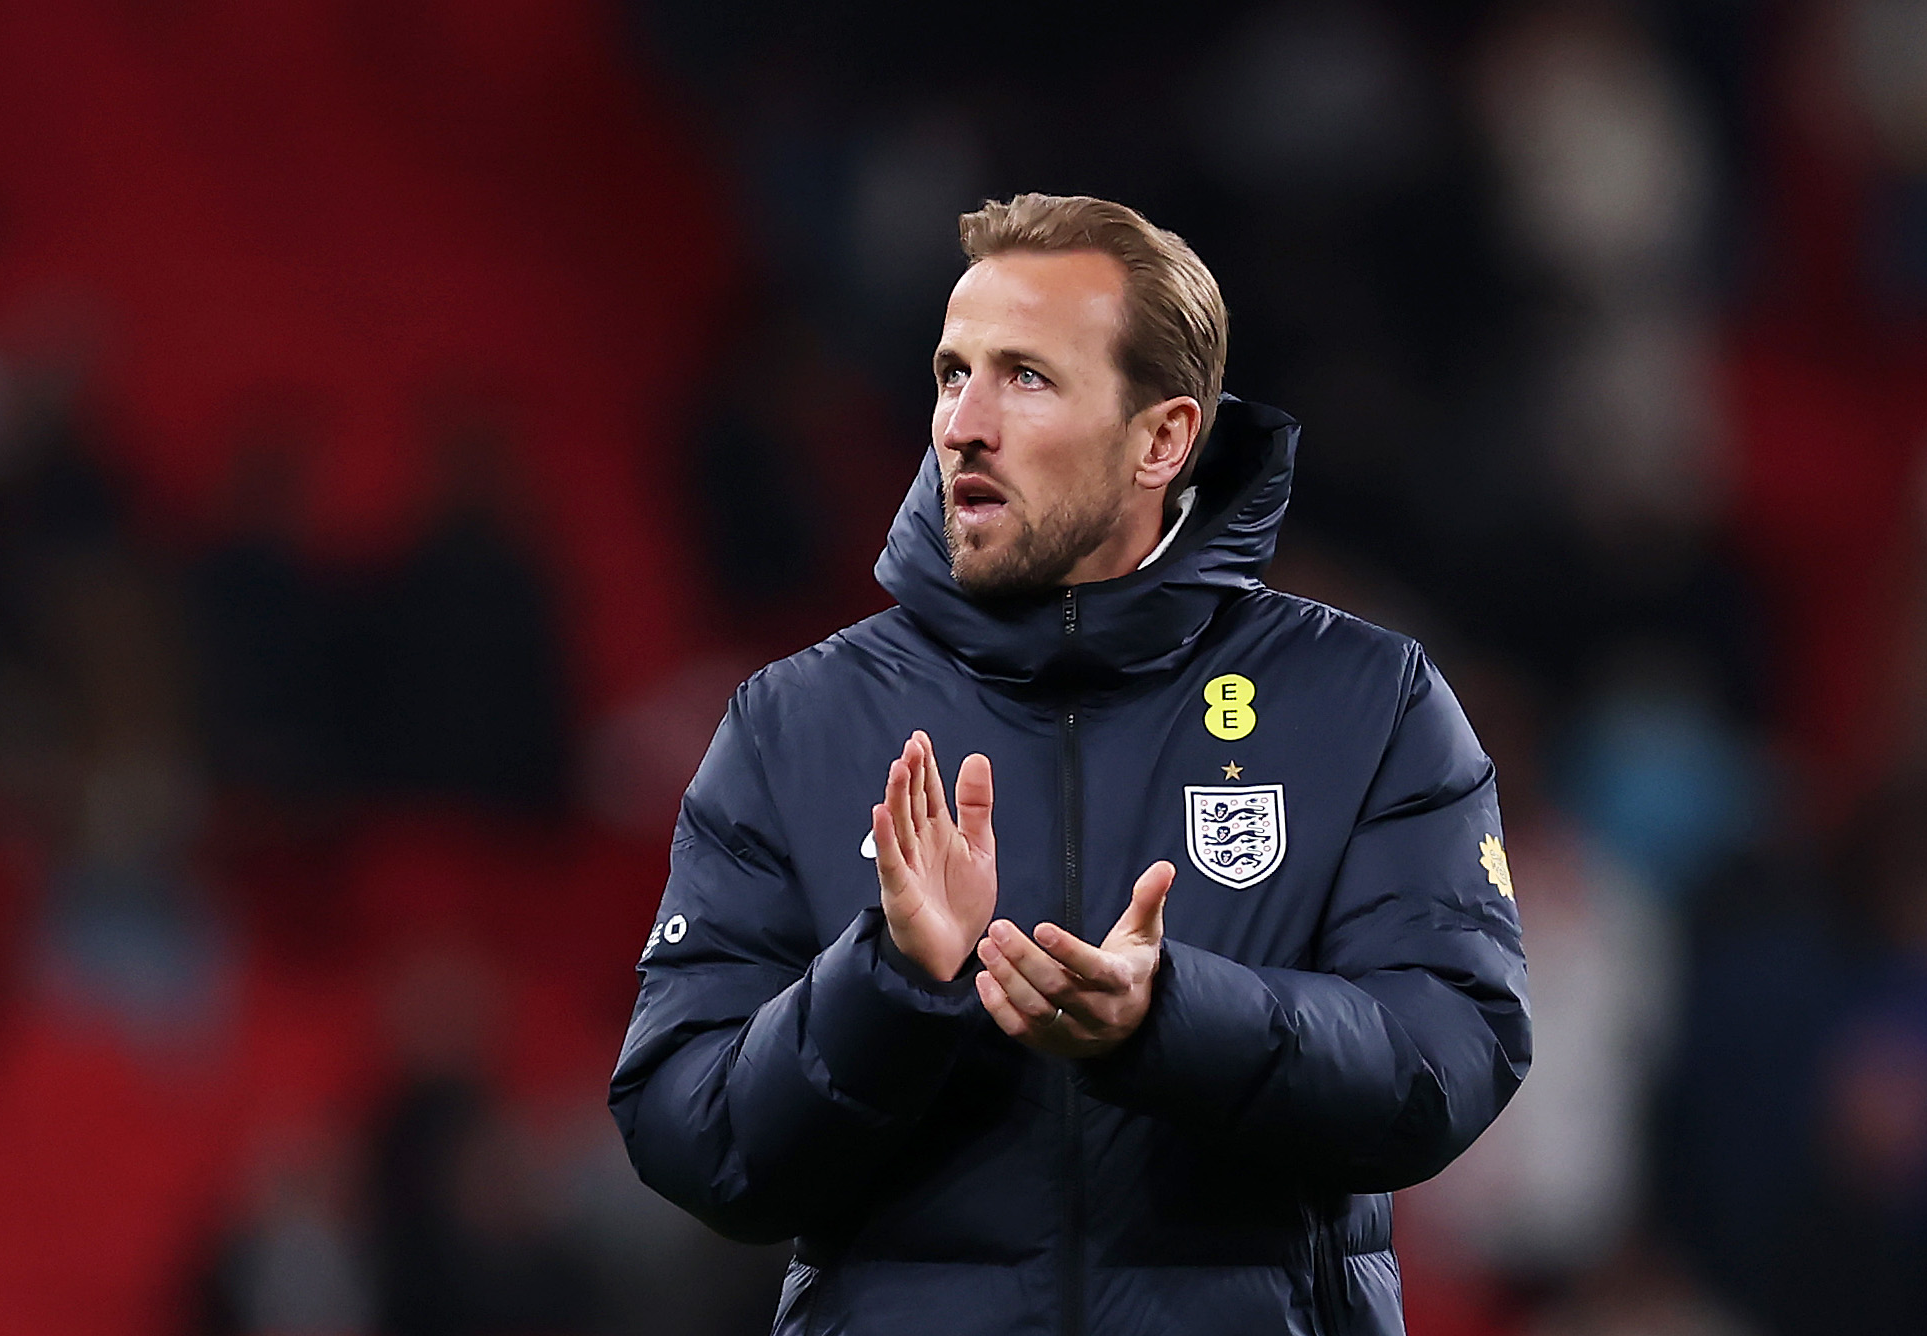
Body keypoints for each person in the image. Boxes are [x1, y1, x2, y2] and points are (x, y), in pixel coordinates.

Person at [609, 193, 1530, 1336]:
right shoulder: (796, 721)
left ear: (1162, 439)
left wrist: (1172, 1018)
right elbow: (688, 1134)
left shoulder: (1365, 703)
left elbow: (1453, 1055)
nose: (962, 425)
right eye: (953, 374)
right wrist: (889, 985)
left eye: (1025, 377)